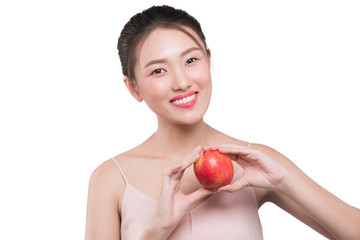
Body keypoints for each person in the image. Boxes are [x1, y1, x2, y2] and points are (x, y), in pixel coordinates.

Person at [85, 5, 360, 240]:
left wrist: (286, 181)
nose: (182, 82)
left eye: (191, 60)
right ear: (134, 88)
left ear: (208, 60)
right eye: (159, 70)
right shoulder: (111, 179)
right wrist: (157, 230)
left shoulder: (256, 162)